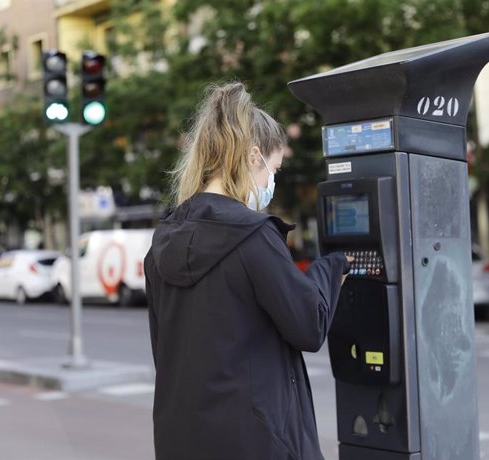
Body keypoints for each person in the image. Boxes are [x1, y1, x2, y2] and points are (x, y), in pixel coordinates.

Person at [144, 82, 352, 460]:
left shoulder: (162, 242)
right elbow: (309, 323)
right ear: (254, 157)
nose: (273, 181)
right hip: (256, 443)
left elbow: (165, 350)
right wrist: (330, 266)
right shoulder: (252, 237)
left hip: (181, 440)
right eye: (275, 168)